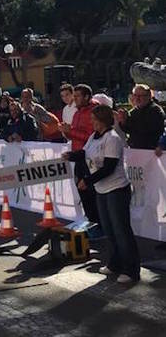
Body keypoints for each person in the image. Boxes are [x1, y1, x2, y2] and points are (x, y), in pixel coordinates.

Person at [63, 105, 140, 283]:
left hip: (116, 189)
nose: (92, 123)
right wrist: (71, 156)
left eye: (95, 120)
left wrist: (88, 181)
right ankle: (115, 263)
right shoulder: (93, 136)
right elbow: (85, 152)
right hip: (101, 190)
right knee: (109, 229)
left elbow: (109, 167)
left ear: (103, 120)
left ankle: (131, 269)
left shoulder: (112, 138)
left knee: (121, 230)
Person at [59, 84, 101, 233]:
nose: (74, 99)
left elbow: (91, 136)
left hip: (90, 158)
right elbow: (74, 135)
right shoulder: (77, 113)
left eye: (77, 96)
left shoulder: (94, 112)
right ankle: (91, 222)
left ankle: (98, 226)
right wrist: (66, 132)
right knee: (82, 191)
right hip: (78, 157)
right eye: (74, 96)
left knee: (91, 192)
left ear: (87, 97)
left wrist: (72, 132)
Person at [117, 84, 165, 150]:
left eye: (140, 96)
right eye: (135, 95)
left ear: (148, 96)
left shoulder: (155, 110)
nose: (137, 98)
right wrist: (123, 120)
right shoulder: (134, 111)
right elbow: (128, 130)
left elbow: (147, 130)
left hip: (150, 149)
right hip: (135, 148)